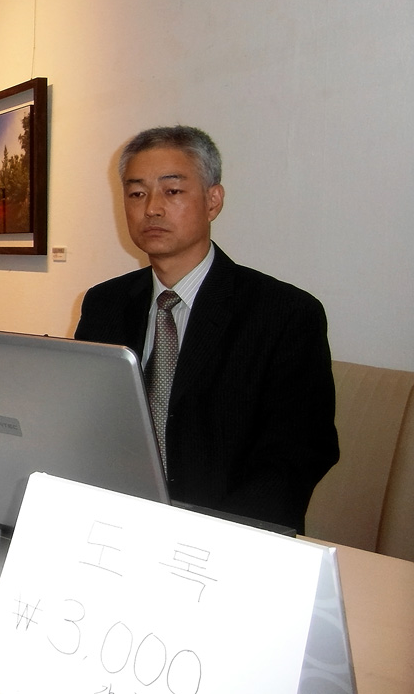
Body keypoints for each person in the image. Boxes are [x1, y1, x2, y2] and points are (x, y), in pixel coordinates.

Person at [74, 125, 338, 533]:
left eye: (172, 191)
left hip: (230, 535)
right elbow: (86, 423)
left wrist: (212, 536)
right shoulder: (104, 303)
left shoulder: (284, 313)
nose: (152, 209)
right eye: (137, 193)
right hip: (116, 525)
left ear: (213, 201)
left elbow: (296, 455)